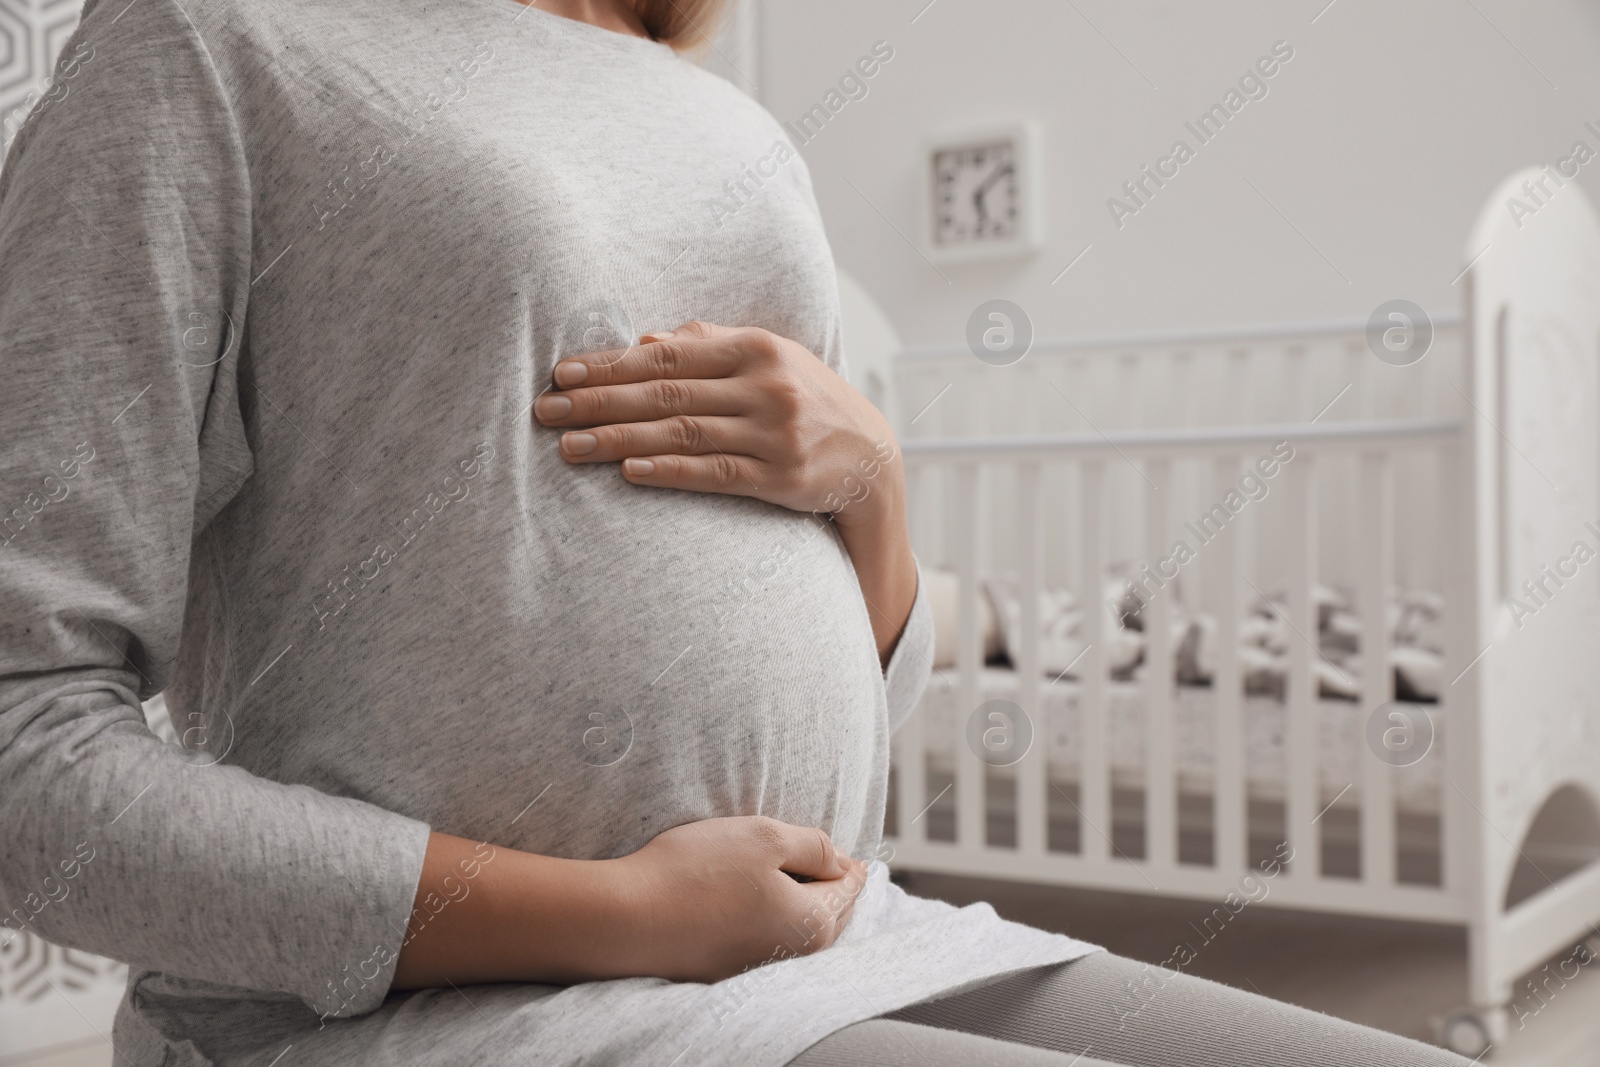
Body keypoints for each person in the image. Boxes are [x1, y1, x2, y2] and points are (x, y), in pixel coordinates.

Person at [0, 0, 1473, 1063]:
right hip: (436, 1006)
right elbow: (25, 756)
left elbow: (839, 672)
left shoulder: (726, 117)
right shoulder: (209, 43)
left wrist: (875, 490)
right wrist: (617, 915)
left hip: (841, 935)